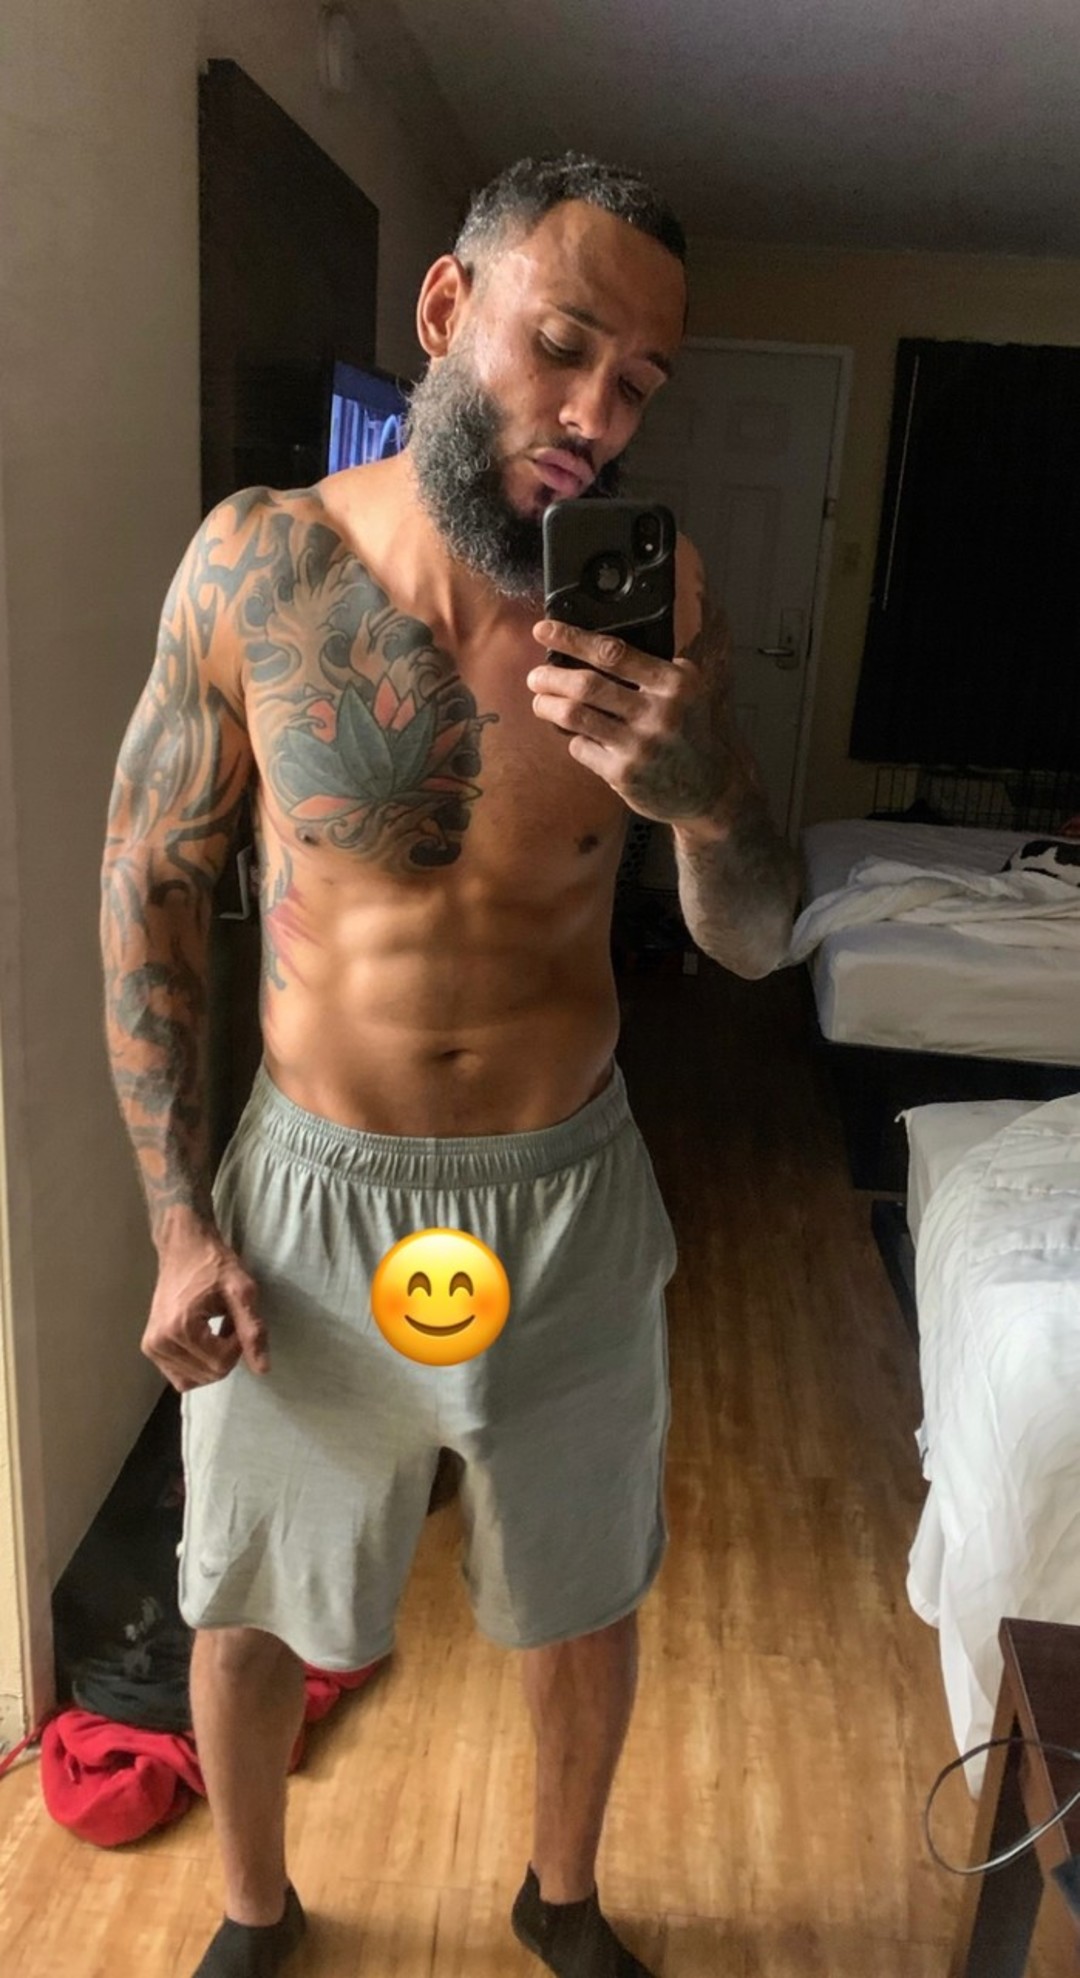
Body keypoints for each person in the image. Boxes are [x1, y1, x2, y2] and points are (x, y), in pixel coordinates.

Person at [100, 152, 798, 1978]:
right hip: (310, 1192)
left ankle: (561, 1895)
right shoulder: (259, 564)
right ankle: (256, 1909)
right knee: (248, 1594)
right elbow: (149, 884)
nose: (595, 418)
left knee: (585, 1590)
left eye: (638, 384)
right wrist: (178, 1223)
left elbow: (750, 934)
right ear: (445, 308)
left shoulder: (659, 598)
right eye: (563, 346)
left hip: (568, 1191)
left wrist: (708, 790)